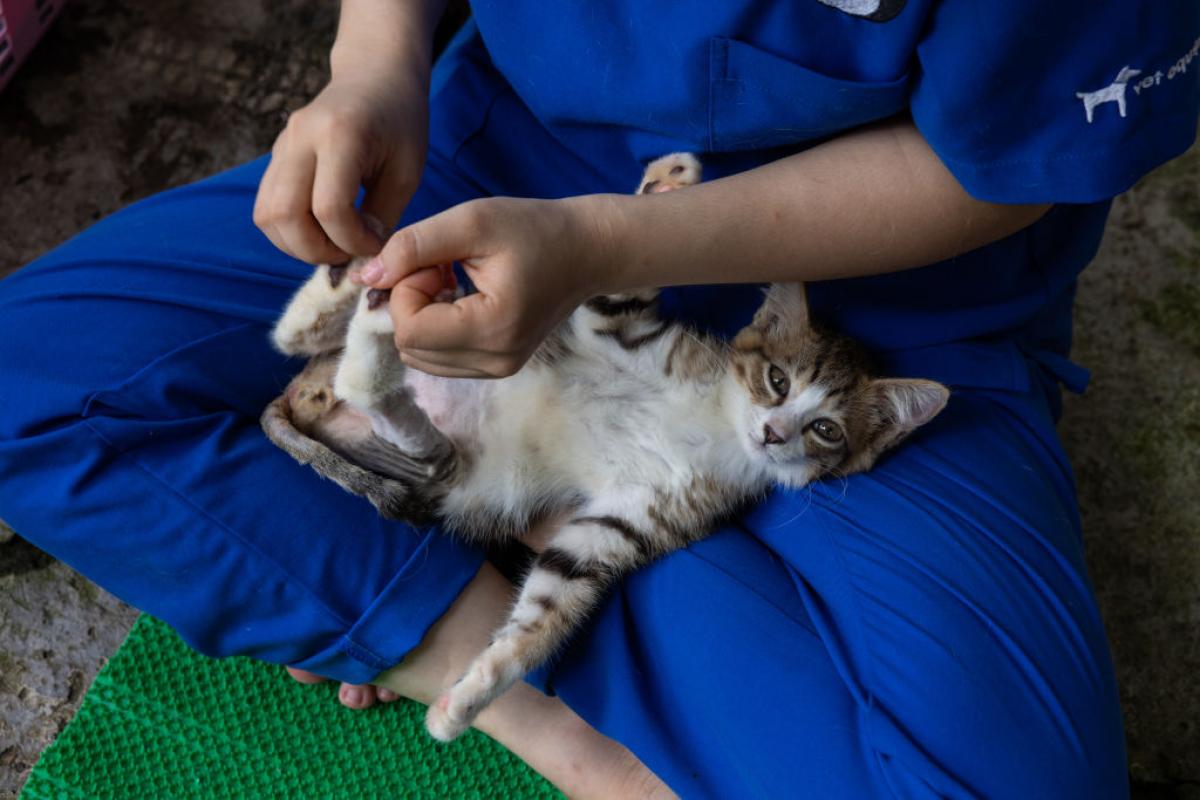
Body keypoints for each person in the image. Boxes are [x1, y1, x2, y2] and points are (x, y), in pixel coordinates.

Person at [1, 0, 1197, 796]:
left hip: (882, 296)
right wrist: (371, 67)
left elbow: (1004, 163)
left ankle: (475, 543)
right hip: (507, 159)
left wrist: (608, 245)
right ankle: (517, 690)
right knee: (26, 381)